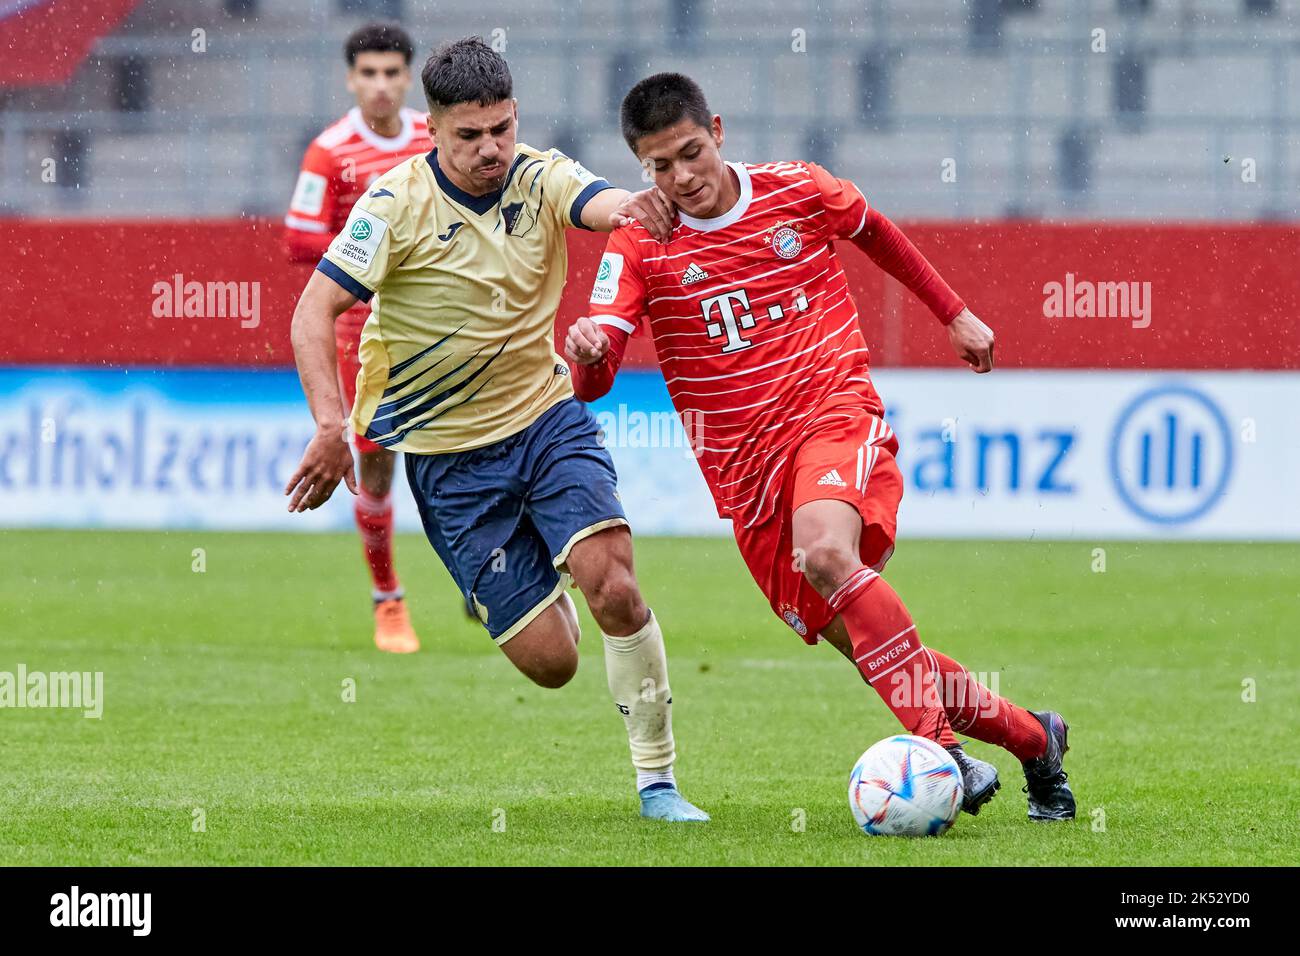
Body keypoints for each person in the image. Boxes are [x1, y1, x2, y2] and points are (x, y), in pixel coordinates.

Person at [566, 72, 1074, 821]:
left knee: (830, 553)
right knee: (882, 656)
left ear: (719, 129)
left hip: (833, 416)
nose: (682, 178)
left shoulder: (798, 190)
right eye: (659, 167)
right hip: (746, 481)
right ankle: (1036, 740)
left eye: (691, 153)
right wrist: (586, 354)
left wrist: (954, 313)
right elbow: (596, 374)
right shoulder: (641, 237)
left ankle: (944, 754)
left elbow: (877, 234)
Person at [284, 40, 706, 822]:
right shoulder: (393, 205)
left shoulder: (538, 176)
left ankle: (658, 782)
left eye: (502, 130)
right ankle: (544, 581)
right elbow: (313, 310)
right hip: (448, 464)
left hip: (545, 419)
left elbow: (601, 202)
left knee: (615, 583)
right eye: (471, 137)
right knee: (553, 664)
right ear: (435, 131)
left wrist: (638, 205)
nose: (491, 150)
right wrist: (328, 424)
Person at [283, 22, 432, 654]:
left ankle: (495, 571)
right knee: (376, 471)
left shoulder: (435, 136)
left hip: (439, 326)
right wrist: (373, 255)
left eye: (392, 73)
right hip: (363, 338)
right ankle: (388, 600)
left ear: (407, 77)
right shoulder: (330, 151)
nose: (380, 85)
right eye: (368, 73)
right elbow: (298, 239)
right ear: (351, 79)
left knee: (483, 446)